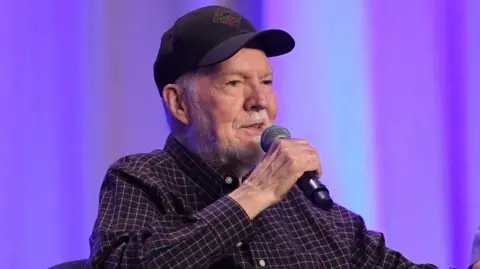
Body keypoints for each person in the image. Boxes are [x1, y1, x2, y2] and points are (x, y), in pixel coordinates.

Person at [86, 5, 442, 268]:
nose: (260, 102)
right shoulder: (142, 180)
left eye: (267, 82)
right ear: (179, 103)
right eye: (234, 83)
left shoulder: (301, 200)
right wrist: (256, 194)